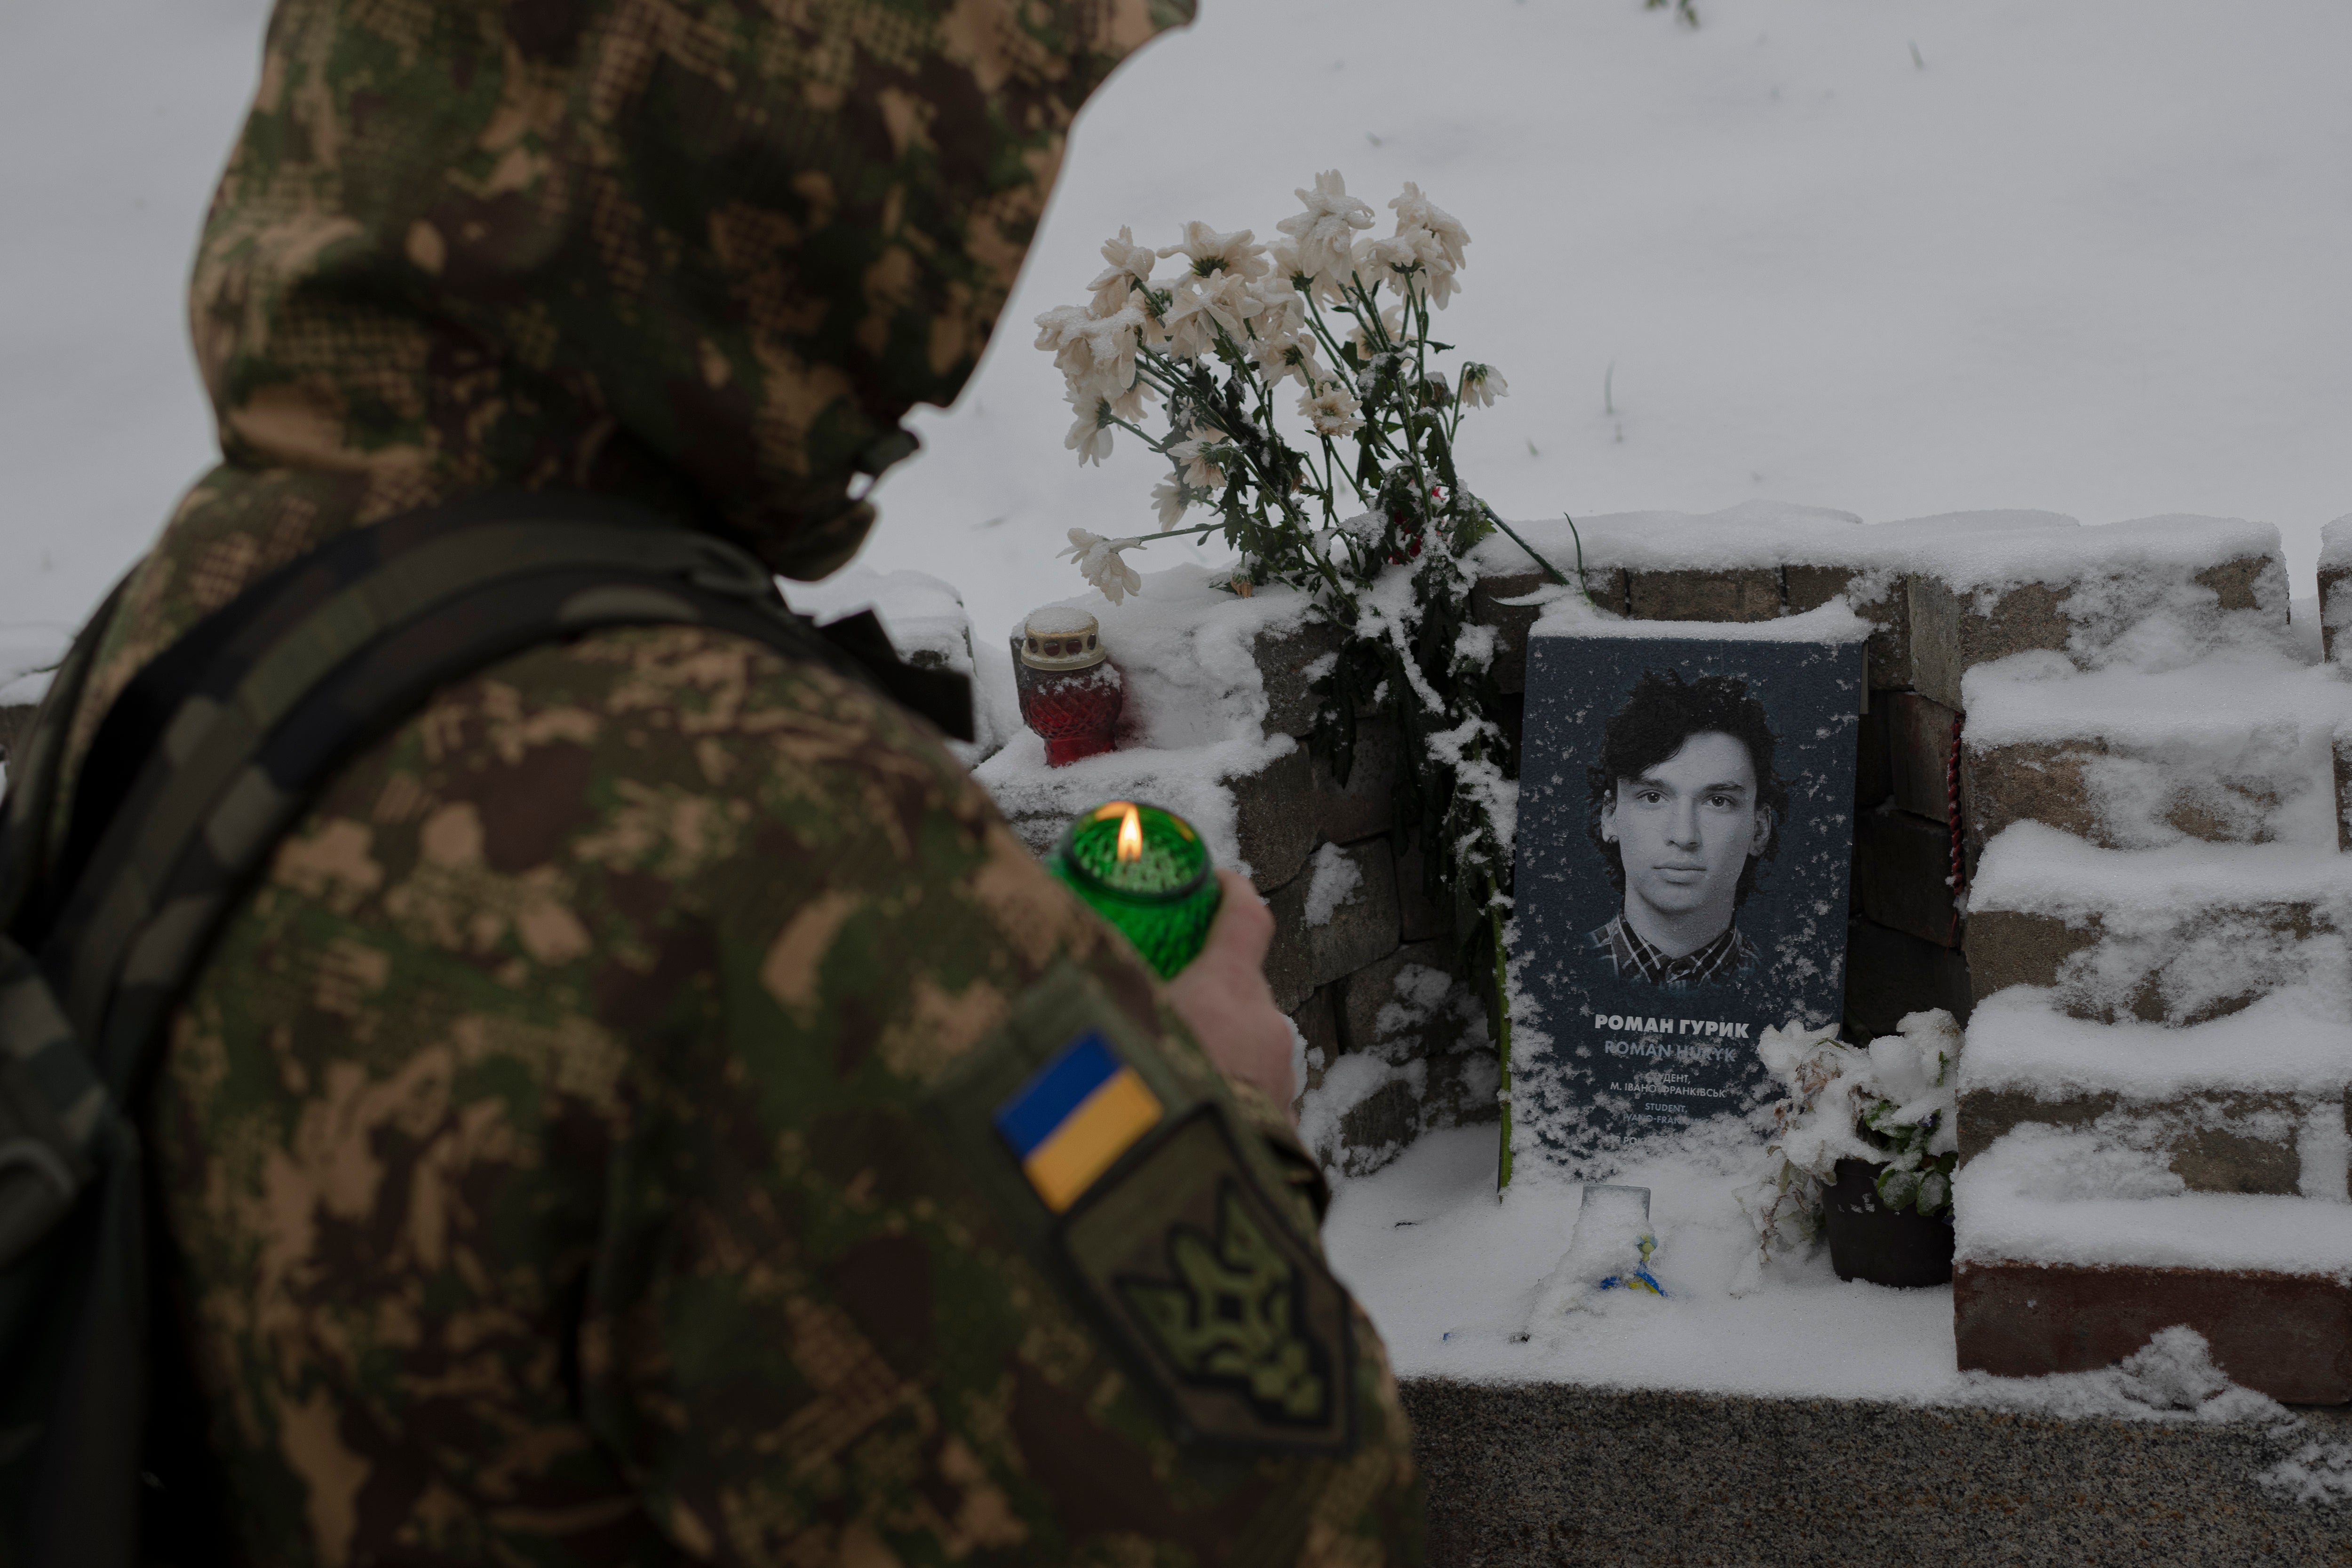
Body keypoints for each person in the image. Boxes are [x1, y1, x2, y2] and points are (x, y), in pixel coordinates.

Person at [35, 0, 1423, 1561]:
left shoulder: (194, 622)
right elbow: (1268, 1511)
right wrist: (1220, 1092)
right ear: (764, 165)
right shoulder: (754, 831)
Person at [1584, 670, 1787, 988]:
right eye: (1653, 797)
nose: (1684, 836)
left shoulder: (1784, 986)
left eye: (1718, 802)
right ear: (1610, 816)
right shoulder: (1562, 970)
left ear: (1759, 830)